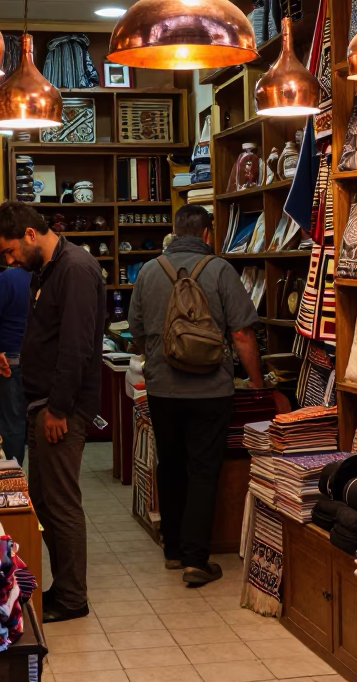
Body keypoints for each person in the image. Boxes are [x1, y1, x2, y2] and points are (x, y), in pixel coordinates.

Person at [128, 204, 264, 585]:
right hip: (211, 390)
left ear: (174, 232)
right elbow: (241, 335)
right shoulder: (221, 270)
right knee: (203, 470)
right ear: (207, 234)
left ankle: (172, 550)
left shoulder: (150, 271)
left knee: (170, 466)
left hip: (162, 389)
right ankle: (196, 560)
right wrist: (257, 382)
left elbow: (136, 332)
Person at [0, 202, 105, 623]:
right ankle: (63, 588)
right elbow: (48, 338)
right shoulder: (47, 270)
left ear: (30, 235)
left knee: (61, 502)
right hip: (43, 404)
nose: (10, 261)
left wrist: (58, 408)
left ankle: (73, 597)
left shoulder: (75, 268)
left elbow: (76, 346)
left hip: (61, 410)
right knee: (43, 501)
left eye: (10, 251)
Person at [0, 258, 32, 466]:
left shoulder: (7, 280)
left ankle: (14, 484)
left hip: (9, 363)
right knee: (40, 428)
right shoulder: (48, 277)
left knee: (12, 428)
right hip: (42, 363)